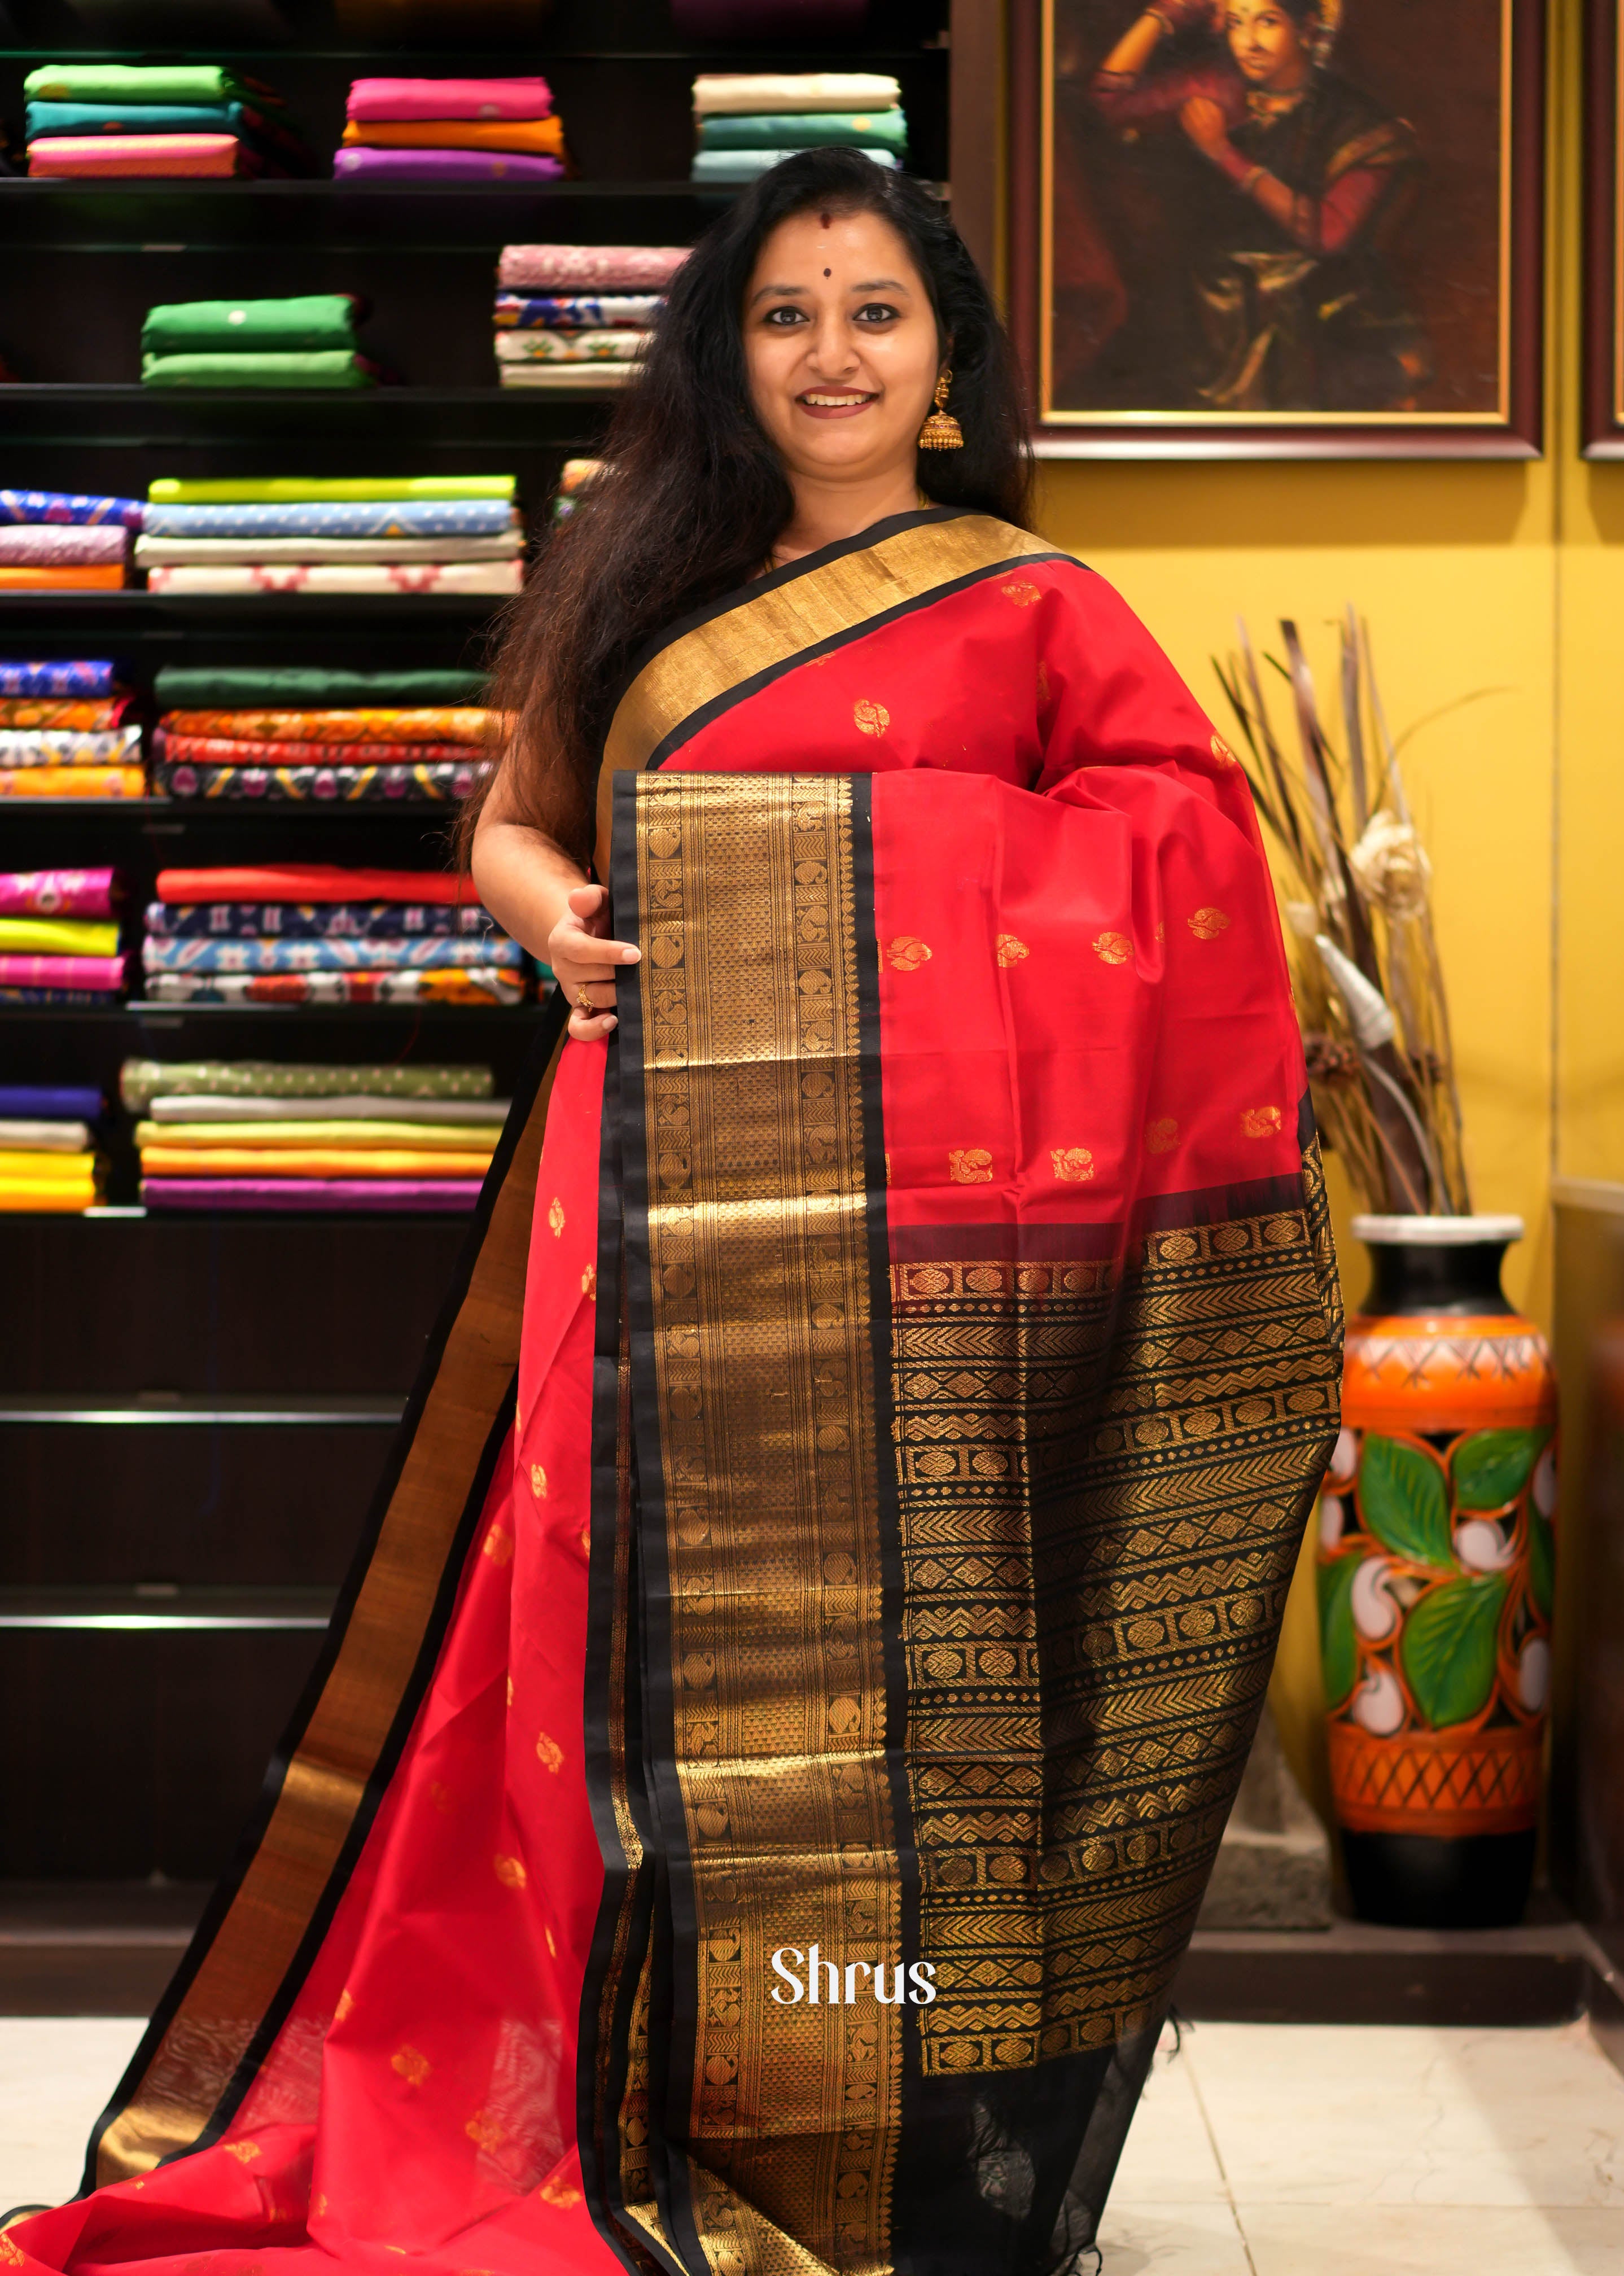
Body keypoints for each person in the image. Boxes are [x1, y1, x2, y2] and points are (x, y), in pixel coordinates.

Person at [9, 151, 1341, 2276]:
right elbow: (513, 825)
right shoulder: (635, 573)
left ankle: (850, 2124)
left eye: (874, 311)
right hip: (630, 1200)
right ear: (726, 352)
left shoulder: (1029, 602)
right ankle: (593, 2088)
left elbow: (1170, 849)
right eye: (783, 311)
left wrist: (850, 879)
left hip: (915, 1273)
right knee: (586, 1636)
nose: (829, 350)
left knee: (894, 1687)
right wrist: (554, 922)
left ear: (942, 360)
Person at [1088, 0, 1429, 409]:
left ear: (1307, 28)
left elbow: (1327, 233)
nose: (1248, 43)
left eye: (1267, 22)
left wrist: (1223, 154)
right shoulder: (1216, 85)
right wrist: (1164, 16)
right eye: (1235, 23)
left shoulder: (1357, 120)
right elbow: (1107, 100)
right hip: (1213, 301)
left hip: (1319, 304)